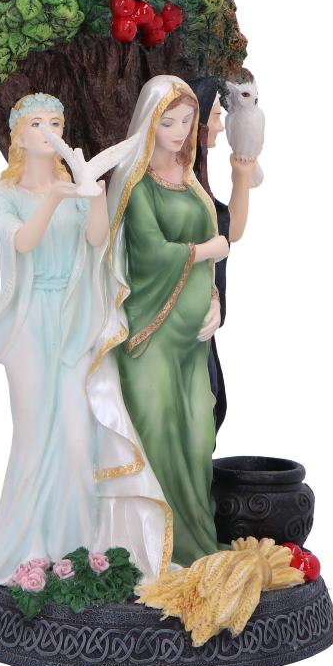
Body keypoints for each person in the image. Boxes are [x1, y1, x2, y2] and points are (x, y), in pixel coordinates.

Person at [0, 92, 169, 587]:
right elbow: (22, 242)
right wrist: (57, 198)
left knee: (79, 437)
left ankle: (76, 549)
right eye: (36, 123)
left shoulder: (73, 187)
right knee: (35, 433)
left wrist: (94, 194)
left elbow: (97, 239)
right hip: (31, 319)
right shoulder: (5, 195)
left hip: (74, 315)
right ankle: (28, 547)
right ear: (18, 136)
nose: (48, 131)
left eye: (56, 122)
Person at [96, 75, 230, 567]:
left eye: (187, 121)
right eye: (168, 121)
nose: (178, 132)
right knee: (159, 432)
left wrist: (214, 299)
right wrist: (209, 250)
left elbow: (210, 243)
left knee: (197, 437)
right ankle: (156, 549)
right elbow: (152, 253)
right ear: (150, 122)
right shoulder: (137, 186)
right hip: (149, 335)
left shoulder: (189, 177)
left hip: (192, 341)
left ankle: (199, 544)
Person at [189, 76, 258, 432]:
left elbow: (229, 231)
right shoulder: (176, 185)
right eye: (216, 116)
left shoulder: (196, 179)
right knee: (201, 399)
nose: (220, 125)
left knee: (213, 399)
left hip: (203, 311)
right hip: (180, 315)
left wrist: (241, 176)